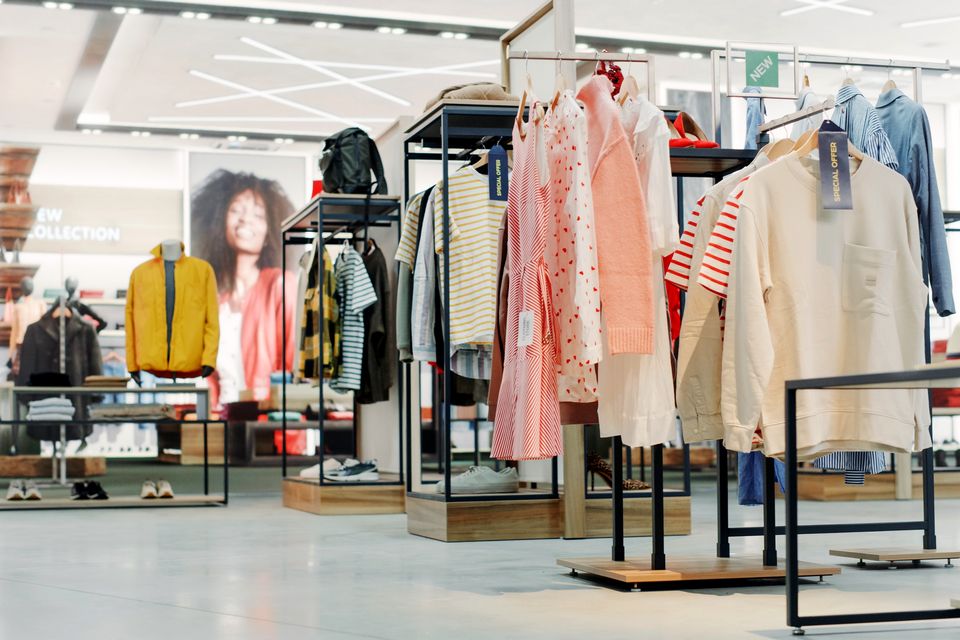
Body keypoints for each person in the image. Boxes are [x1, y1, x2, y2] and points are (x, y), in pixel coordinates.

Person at [190, 169, 297, 408]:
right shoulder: (215, 300)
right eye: (236, 210)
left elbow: (291, 363)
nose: (245, 220)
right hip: (223, 420)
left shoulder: (280, 285)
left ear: (270, 229)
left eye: (258, 215)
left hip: (268, 423)